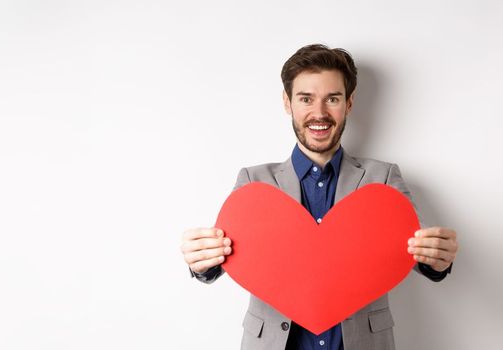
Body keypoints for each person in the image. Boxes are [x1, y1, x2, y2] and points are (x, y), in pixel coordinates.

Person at [179, 44, 459, 350]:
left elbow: (417, 257)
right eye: (306, 99)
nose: (320, 113)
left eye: (333, 99)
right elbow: (226, 259)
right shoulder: (254, 183)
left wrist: (437, 258)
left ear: (349, 103)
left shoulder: (383, 178)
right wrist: (201, 262)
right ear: (287, 103)